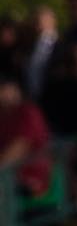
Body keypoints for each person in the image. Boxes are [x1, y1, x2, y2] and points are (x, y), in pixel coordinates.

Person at [0, 73, 54, 201]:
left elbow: (15, 152)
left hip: (30, 178)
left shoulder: (28, 112)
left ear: (16, 90)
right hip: (9, 176)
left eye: (4, 88)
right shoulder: (2, 117)